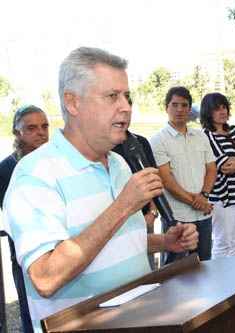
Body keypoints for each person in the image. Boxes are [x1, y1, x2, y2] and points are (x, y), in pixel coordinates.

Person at [2, 47, 198, 333]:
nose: (127, 107)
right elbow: (45, 277)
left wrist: (164, 243)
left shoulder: (118, 163)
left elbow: (113, 243)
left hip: (142, 322)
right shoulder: (35, 175)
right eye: (112, 96)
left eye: (127, 97)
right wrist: (124, 205)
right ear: (72, 102)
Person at [150, 86, 217, 263]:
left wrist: (204, 196)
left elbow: (211, 168)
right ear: (166, 107)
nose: (179, 109)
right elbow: (167, 181)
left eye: (184, 105)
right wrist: (198, 202)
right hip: (177, 217)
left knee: (204, 265)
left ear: (189, 109)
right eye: (174, 105)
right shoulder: (157, 140)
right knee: (174, 270)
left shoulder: (201, 136)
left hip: (203, 216)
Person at [0, 105, 49, 333]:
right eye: (31, 128)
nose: (41, 132)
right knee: (31, 316)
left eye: (44, 126)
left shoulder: (56, 161)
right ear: (17, 133)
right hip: (27, 258)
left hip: (66, 252)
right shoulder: (7, 168)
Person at [200, 92, 235, 258]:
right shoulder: (207, 136)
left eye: (224, 107)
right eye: (217, 109)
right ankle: (220, 282)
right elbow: (225, 166)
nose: (222, 111)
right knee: (222, 242)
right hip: (223, 198)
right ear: (208, 112)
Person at [113, 130, 160, 269]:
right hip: (118, 223)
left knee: (148, 268)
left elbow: (152, 178)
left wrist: (152, 212)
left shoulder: (140, 142)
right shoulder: (104, 148)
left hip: (145, 218)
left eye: (129, 107)